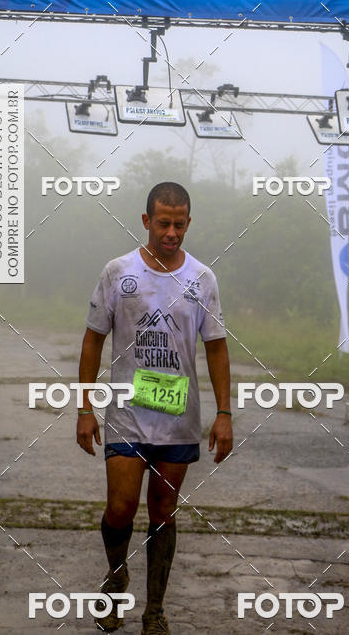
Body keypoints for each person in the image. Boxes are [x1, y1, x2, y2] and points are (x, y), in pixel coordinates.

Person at [77, 182, 233, 634]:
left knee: (164, 513)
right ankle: (115, 575)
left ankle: (155, 610)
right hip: (126, 413)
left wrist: (224, 414)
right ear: (146, 221)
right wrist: (84, 408)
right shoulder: (117, 272)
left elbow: (217, 348)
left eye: (179, 224)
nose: (171, 232)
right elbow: (93, 340)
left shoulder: (202, 279)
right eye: (162, 223)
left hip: (178, 420)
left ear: (189, 223)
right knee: (121, 507)